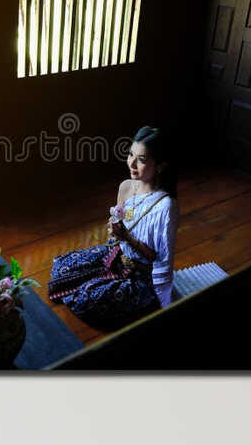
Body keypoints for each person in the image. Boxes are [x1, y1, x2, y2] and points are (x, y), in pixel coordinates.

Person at [47, 126, 178, 330]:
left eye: (141, 160)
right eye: (130, 155)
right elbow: (119, 228)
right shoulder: (127, 186)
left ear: (160, 166)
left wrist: (126, 236)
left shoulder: (165, 206)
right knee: (62, 269)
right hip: (117, 255)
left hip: (141, 274)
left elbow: (157, 258)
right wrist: (114, 231)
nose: (132, 164)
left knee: (88, 299)